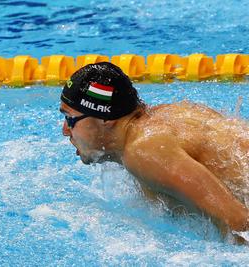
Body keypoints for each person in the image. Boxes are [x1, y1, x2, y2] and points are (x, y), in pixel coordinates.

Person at [59, 62, 249, 240]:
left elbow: (239, 222)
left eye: (70, 119)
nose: (65, 130)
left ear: (105, 118)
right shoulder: (167, 116)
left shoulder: (144, 152)